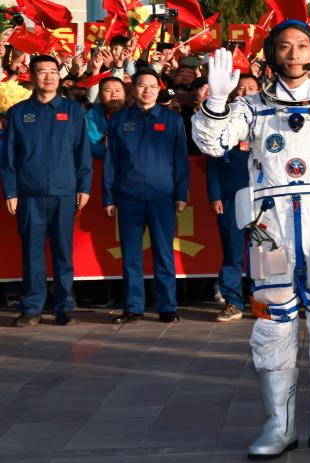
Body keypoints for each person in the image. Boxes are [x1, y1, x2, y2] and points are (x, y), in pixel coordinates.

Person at [193, 21, 310, 459]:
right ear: (272, 54)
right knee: (273, 322)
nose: (294, 54)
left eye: (302, 46)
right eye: (284, 47)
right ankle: (279, 424)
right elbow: (213, 143)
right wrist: (216, 101)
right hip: (271, 224)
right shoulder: (252, 106)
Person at [1, 55, 92, 327]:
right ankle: (32, 308)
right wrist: (10, 192)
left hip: (64, 193)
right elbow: (9, 158)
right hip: (28, 195)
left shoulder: (73, 111)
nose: (49, 77)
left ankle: (65, 306)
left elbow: (82, 152)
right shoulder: (18, 113)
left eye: (53, 71)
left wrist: (84, 186)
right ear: (32, 76)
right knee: (32, 254)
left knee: (63, 252)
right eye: (42, 72)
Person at [103, 68, 190, 324]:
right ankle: (133, 307)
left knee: (164, 253)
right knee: (131, 255)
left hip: (163, 197)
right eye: (142, 85)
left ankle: (167, 306)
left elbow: (180, 159)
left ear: (159, 89)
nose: (148, 90)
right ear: (134, 89)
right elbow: (111, 162)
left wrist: (181, 193)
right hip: (128, 197)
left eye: (153, 86)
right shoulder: (120, 119)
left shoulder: (172, 119)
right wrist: (108, 197)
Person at [204, 73, 259, 321]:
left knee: (263, 252)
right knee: (233, 252)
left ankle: (262, 301)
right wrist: (215, 196)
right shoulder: (222, 122)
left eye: (251, 87)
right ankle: (233, 302)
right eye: (241, 87)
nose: (245, 91)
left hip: (263, 198)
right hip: (230, 197)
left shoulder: (268, 120)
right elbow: (211, 165)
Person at [87, 76, 127, 158]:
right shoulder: (92, 114)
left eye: (118, 90)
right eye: (108, 91)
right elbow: (90, 143)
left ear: (124, 94)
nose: (114, 95)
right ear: (100, 95)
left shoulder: (135, 114)